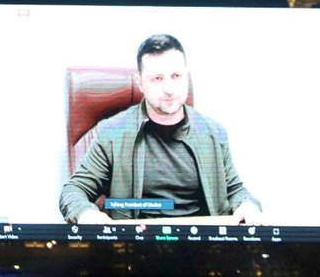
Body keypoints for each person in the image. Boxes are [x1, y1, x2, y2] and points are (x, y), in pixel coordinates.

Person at [59, 33, 263, 224]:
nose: (169, 88)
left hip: (202, 248)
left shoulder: (213, 133)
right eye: (157, 78)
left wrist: (247, 205)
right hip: (136, 246)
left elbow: (236, 191)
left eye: (176, 76)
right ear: (140, 83)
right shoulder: (112, 133)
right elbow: (74, 191)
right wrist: (86, 213)